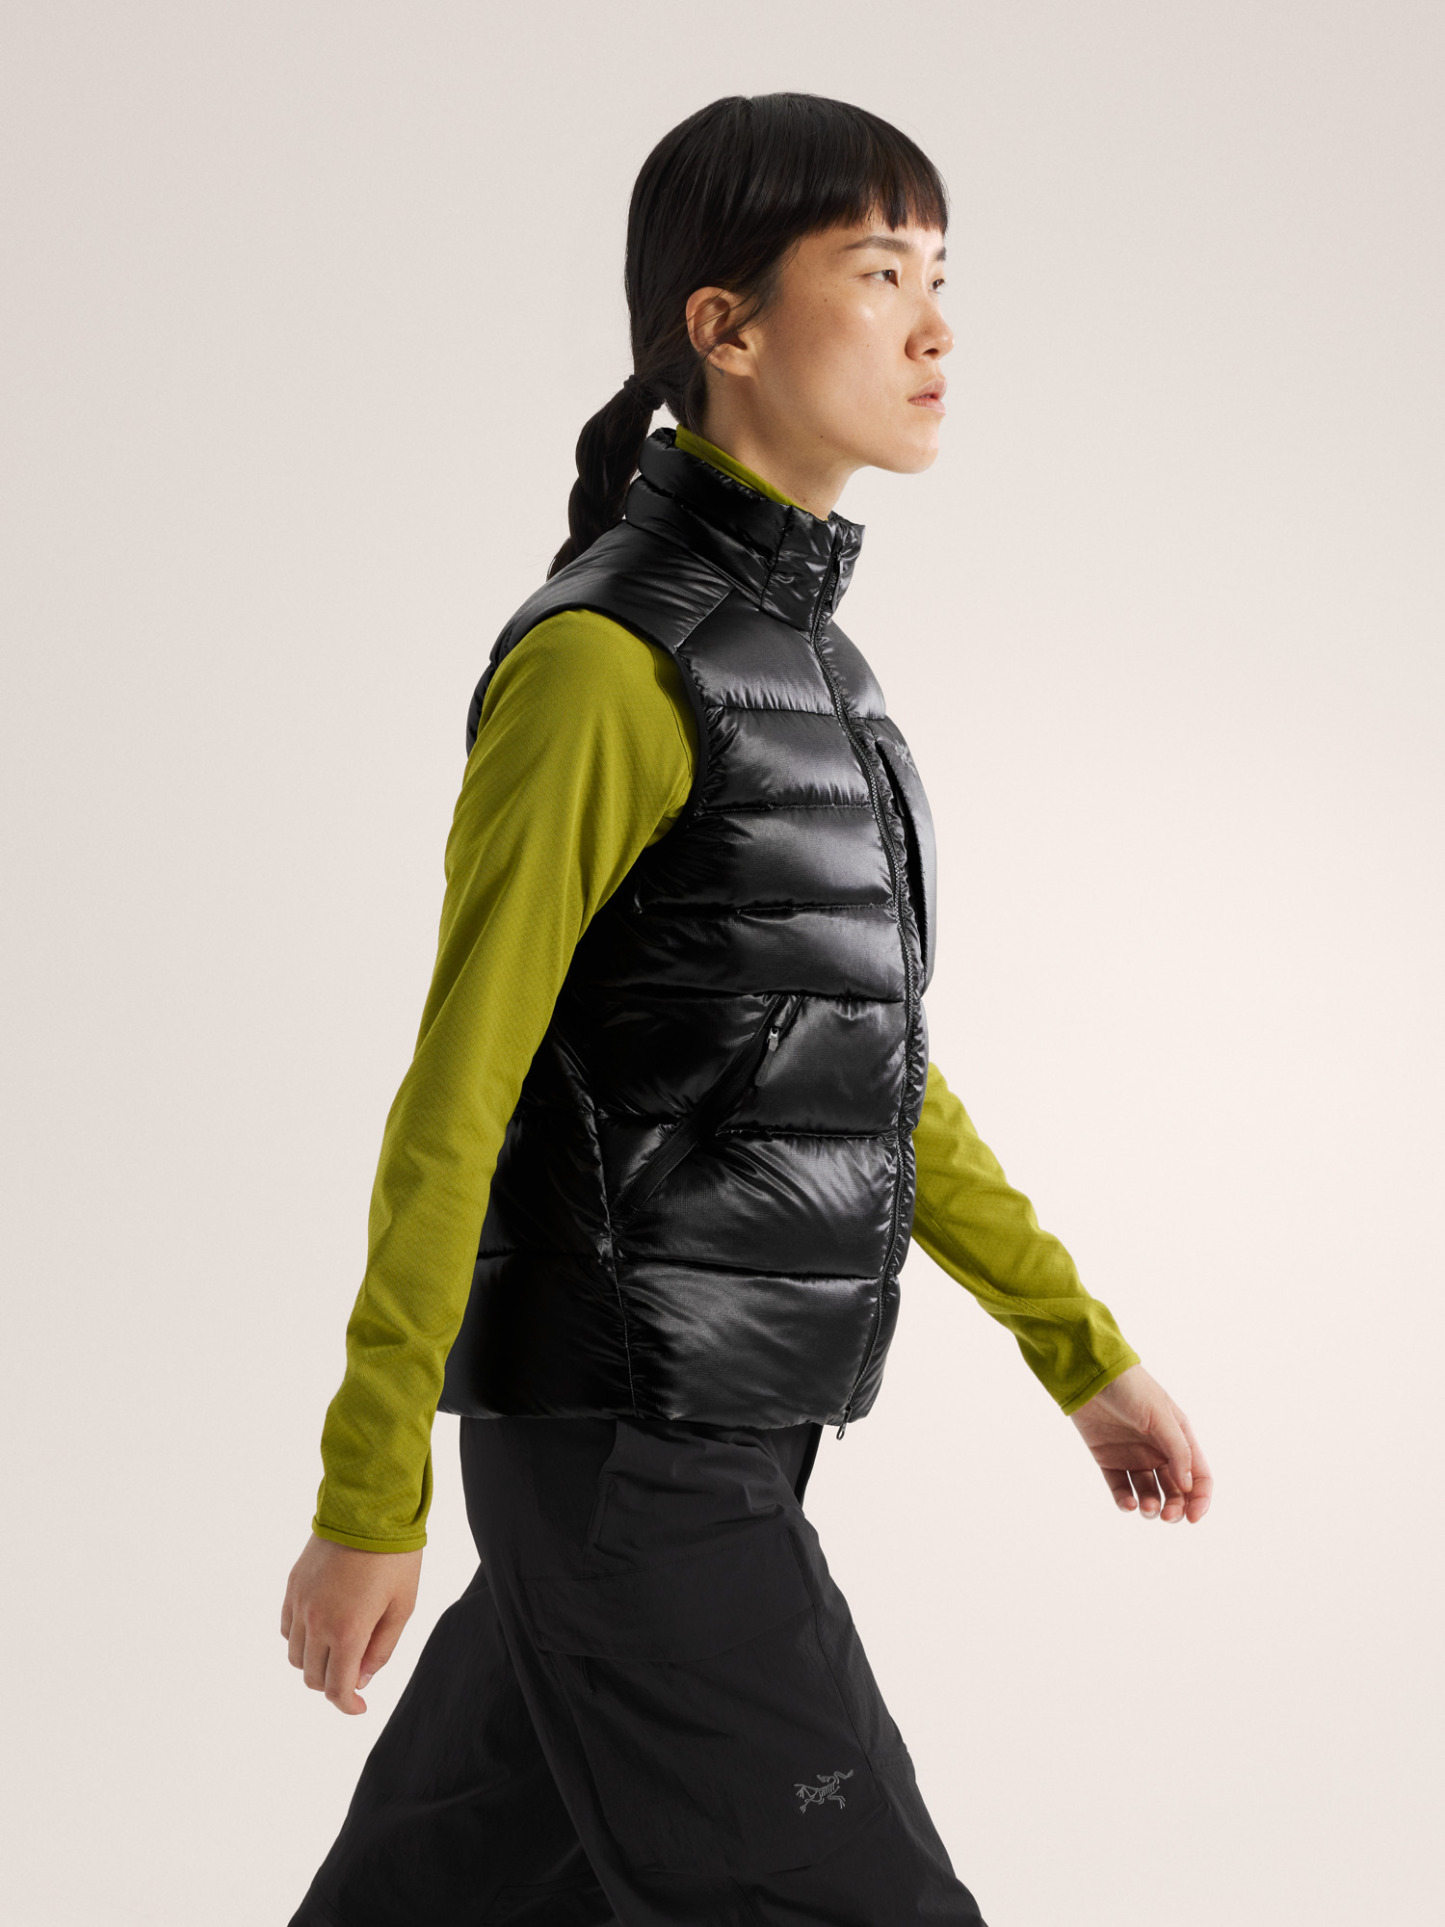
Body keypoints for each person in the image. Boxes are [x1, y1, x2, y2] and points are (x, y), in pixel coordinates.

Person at [281, 91, 1212, 1927]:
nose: (934, 327)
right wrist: (367, 1489)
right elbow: (460, 1089)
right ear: (723, 326)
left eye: (940, 275)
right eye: (876, 274)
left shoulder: (810, 669)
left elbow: (863, 1068)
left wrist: (1079, 1352)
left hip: (693, 1442)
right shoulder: (603, 668)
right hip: (638, 1452)